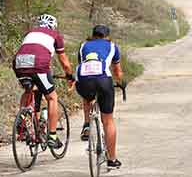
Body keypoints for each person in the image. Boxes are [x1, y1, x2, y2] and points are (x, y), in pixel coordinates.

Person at [12, 14, 75, 150]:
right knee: (52, 98)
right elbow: (64, 62)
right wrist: (70, 76)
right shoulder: (55, 35)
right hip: (39, 65)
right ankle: (52, 136)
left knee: (30, 90)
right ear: (53, 26)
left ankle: (22, 118)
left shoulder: (30, 33)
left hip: (19, 62)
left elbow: (30, 49)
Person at [76, 24, 125, 169]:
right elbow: (117, 71)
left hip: (84, 80)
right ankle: (112, 159)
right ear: (107, 36)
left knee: (88, 96)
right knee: (108, 121)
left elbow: (83, 65)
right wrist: (120, 82)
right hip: (103, 80)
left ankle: (86, 124)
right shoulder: (112, 46)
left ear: (92, 35)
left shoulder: (83, 45)